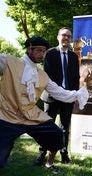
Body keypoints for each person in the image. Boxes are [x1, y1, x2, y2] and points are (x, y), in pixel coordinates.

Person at [0, 5, 89, 176]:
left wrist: (79, 93)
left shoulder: (42, 75)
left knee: (57, 135)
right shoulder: (9, 62)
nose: (41, 54)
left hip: (30, 116)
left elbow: (60, 92)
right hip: (7, 115)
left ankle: (49, 162)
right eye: (38, 50)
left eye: (43, 51)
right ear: (29, 50)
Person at [34, 27, 80, 166]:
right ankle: (42, 154)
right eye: (64, 35)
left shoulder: (73, 56)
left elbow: (76, 77)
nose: (66, 38)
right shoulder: (49, 54)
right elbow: (47, 76)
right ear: (58, 37)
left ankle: (64, 155)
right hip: (51, 96)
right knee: (47, 126)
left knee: (65, 127)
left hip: (68, 97)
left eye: (69, 36)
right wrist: (59, 92)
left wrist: (74, 94)